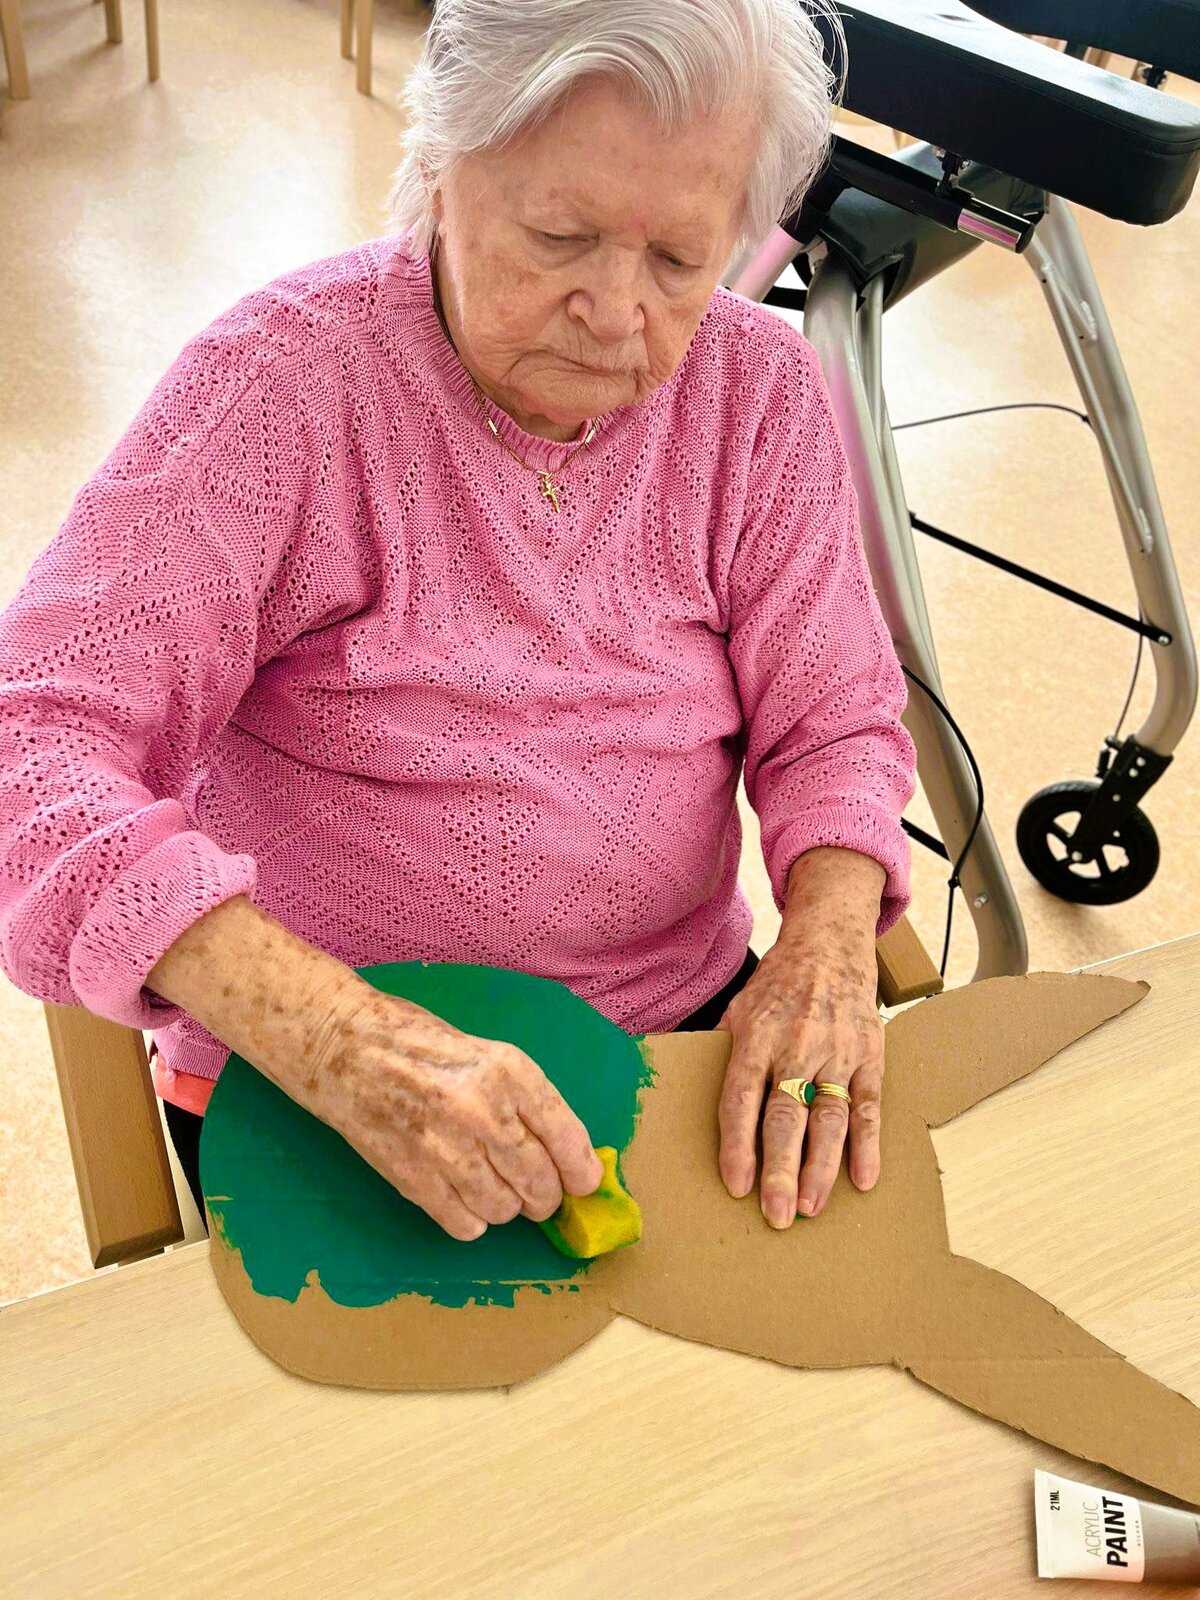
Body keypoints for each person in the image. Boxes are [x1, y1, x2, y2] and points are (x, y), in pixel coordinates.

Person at [0, 0, 915, 1245]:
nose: (615, 311)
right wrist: (339, 1038)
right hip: (321, 1079)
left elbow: (835, 723)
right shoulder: (280, 388)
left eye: (678, 260)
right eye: (561, 236)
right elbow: (32, 746)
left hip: (673, 1041)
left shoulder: (757, 394)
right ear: (440, 160)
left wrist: (829, 943)